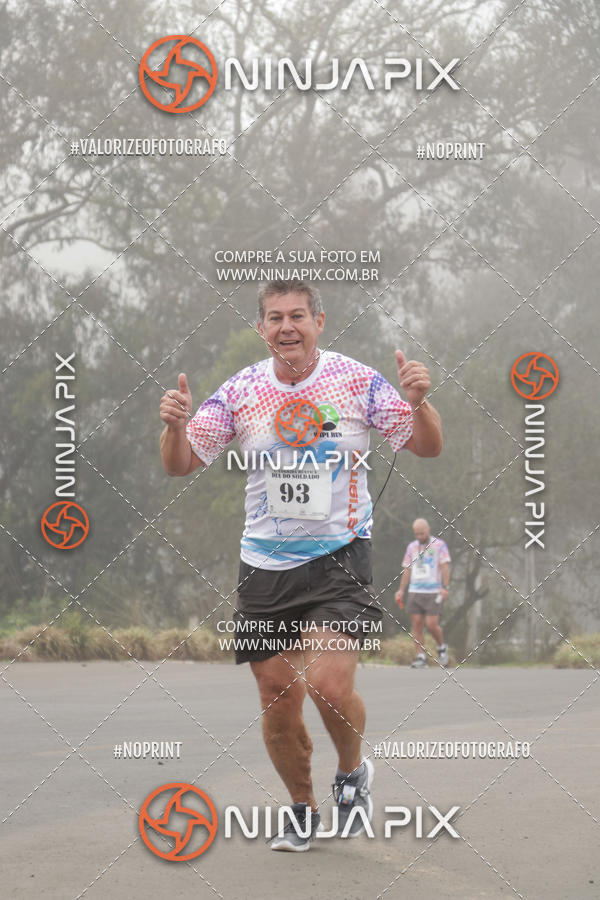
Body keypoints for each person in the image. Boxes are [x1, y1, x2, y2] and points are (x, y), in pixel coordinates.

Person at [159, 279, 443, 850]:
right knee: (278, 699)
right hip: (264, 566)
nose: (285, 326)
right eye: (273, 317)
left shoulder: (357, 381)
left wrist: (419, 403)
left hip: (340, 557)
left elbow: (426, 445)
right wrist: (172, 428)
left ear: (319, 320)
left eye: (296, 315)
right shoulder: (242, 390)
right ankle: (301, 807)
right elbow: (181, 463)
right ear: (261, 328)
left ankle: (351, 773)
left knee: (329, 686)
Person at [394, 519, 451, 667]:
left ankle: (441, 647)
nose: (420, 536)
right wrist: (401, 590)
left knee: (432, 624)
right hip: (415, 591)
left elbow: (445, 567)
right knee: (417, 624)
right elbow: (407, 569)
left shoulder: (439, 545)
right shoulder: (411, 547)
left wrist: (446, 587)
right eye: (417, 534)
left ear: (428, 529)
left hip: (433, 591)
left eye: (422, 533)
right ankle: (420, 656)